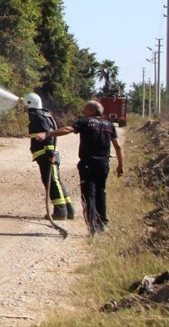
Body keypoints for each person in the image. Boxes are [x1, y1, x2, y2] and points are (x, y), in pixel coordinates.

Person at [38, 100, 124, 235]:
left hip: (88, 164)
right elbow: (118, 146)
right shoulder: (109, 125)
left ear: (91, 110)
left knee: (88, 195)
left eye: (86, 108)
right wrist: (120, 166)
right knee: (101, 193)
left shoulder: (85, 121)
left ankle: (92, 228)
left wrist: (48, 134)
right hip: (103, 165)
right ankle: (103, 225)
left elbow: (68, 129)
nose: (83, 110)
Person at [23, 93, 75, 220]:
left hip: (46, 154)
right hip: (47, 153)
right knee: (56, 181)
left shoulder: (37, 117)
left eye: (25, 105)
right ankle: (68, 209)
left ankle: (60, 211)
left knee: (51, 181)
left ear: (29, 104)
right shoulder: (44, 115)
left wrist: (50, 153)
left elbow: (47, 135)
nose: (24, 109)